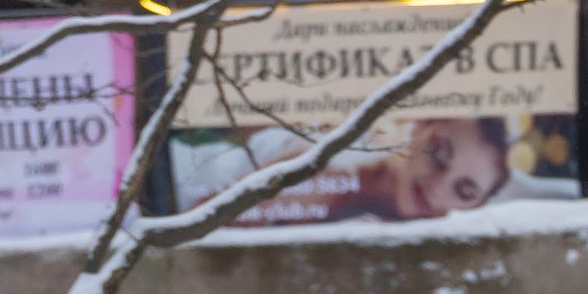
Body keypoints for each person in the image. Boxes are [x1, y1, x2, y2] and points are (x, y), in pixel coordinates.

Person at [171, 116, 511, 224]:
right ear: (419, 128)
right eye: (438, 153)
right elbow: (196, 223)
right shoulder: (334, 167)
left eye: (463, 191)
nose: (438, 184)